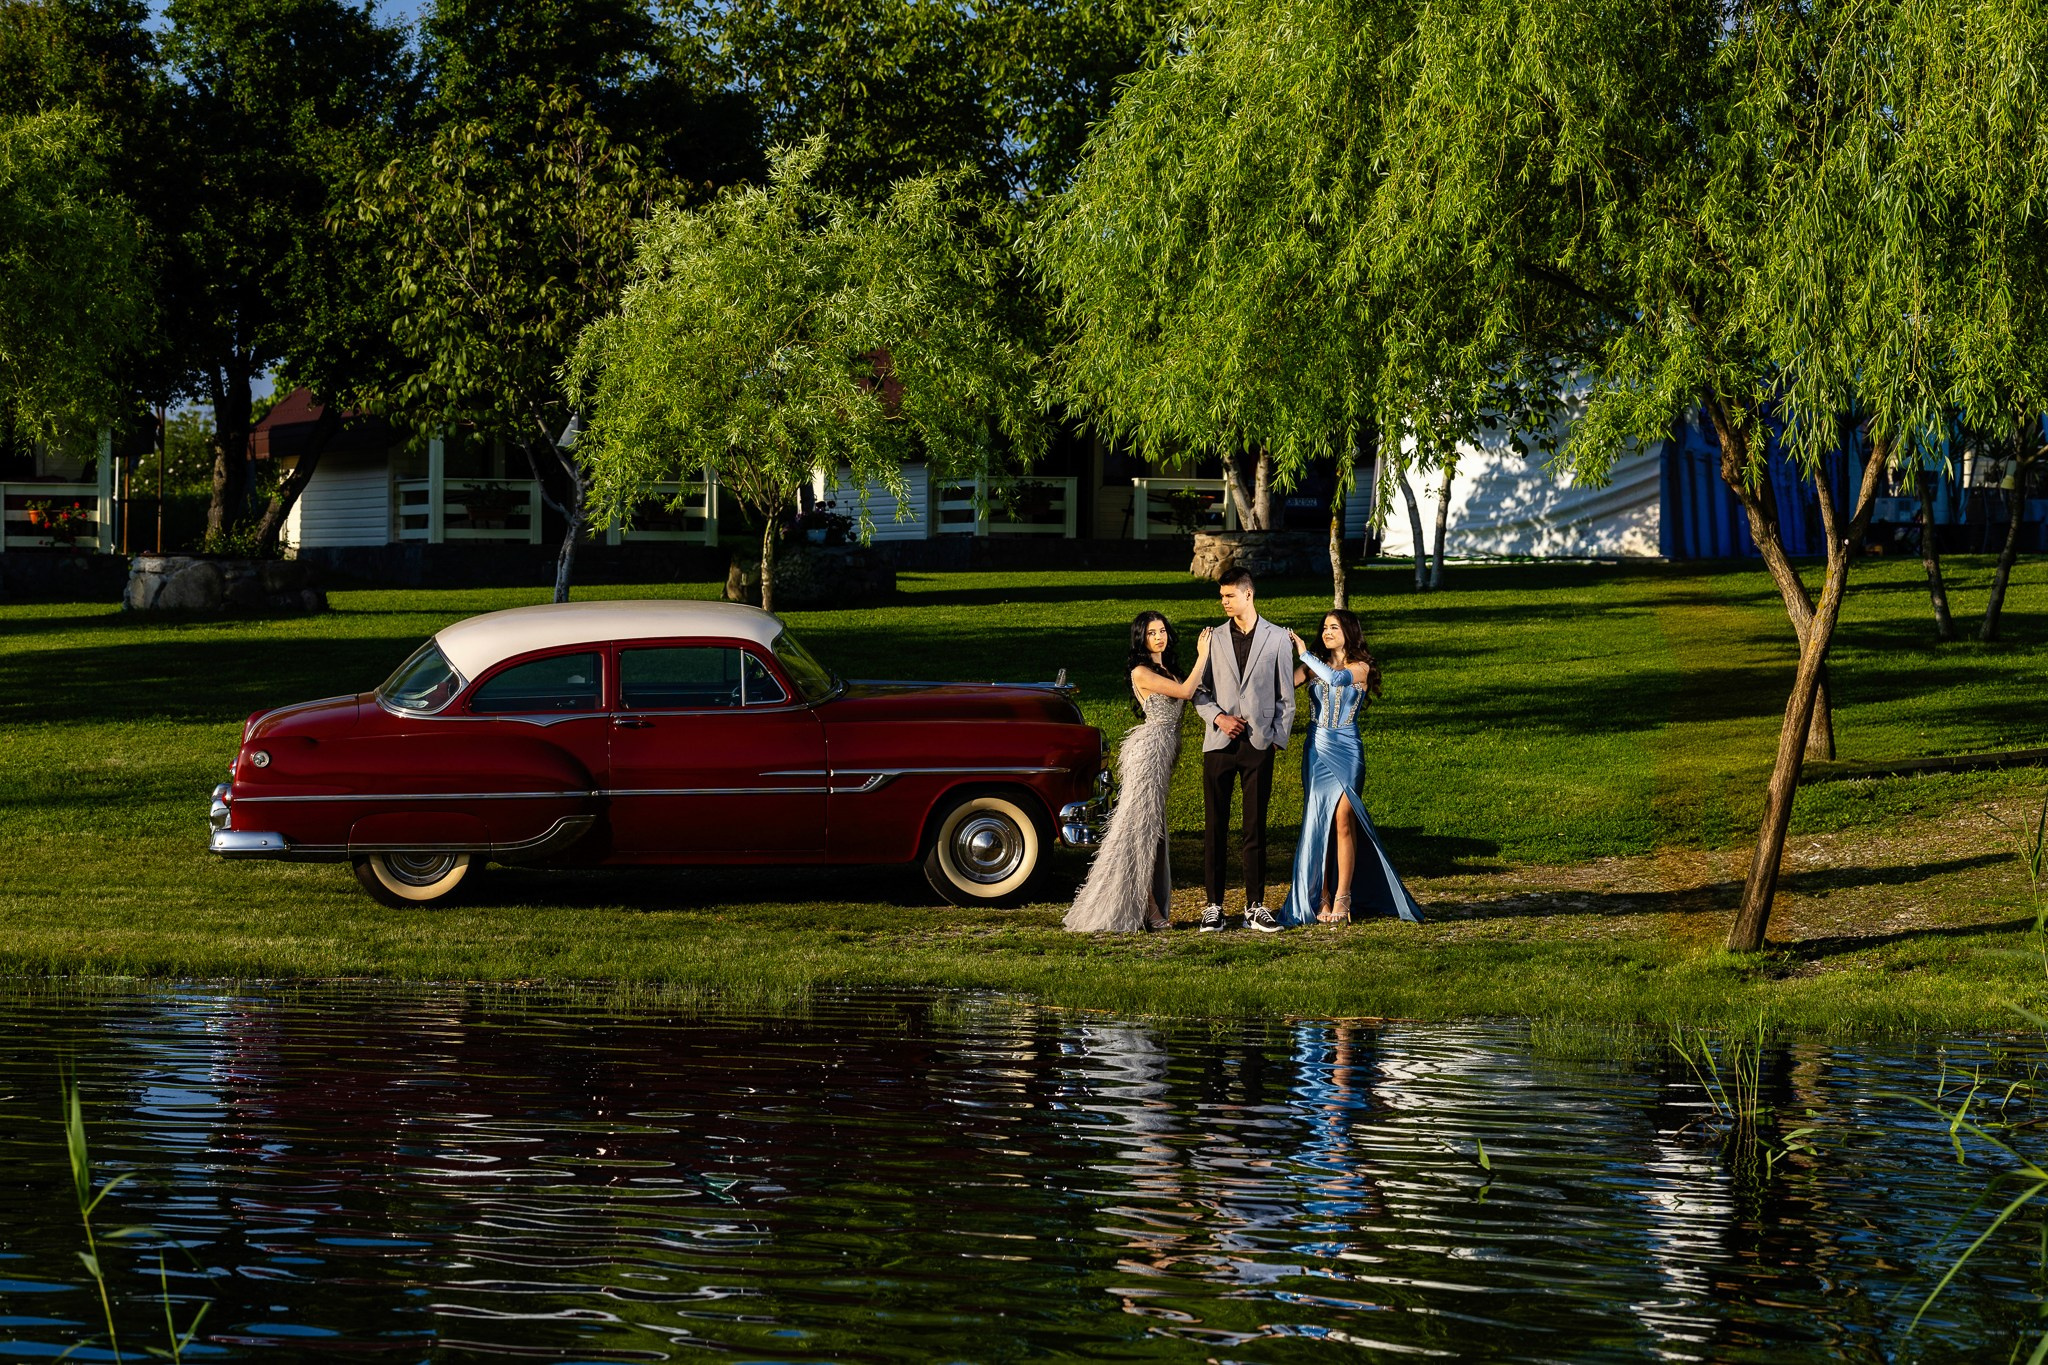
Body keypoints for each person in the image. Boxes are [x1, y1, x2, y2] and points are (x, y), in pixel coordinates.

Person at [1065, 612, 1213, 933]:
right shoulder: (1141, 671)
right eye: (1151, 633)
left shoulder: (1169, 670)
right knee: (1139, 832)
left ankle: (1150, 906)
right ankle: (1149, 909)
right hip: (1148, 753)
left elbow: (1197, 691)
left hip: (1164, 754)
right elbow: (1188, 691)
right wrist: (1203, 655)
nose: (1159, 637)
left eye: (1162, 631)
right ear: (1141, 639)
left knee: (1153, 834)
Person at [1279, 611, 1423, 926]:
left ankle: (1344, 895)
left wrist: (1303, 652)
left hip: (1347, 750)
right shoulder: (1311, 666)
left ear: (1349, 632)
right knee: (1321, 823)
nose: (1327, 631)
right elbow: (1280, 687)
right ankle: (1323, 895)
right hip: (1316, 751)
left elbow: (1335, 679)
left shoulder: (1360, 667)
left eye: (1335, 627)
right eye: (1325, 627)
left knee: (1344, 819)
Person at [1191, 567, 1297, 934]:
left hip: (1258, 745)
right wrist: (1218, 718)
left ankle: (1255, 906)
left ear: (1248, 594)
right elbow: (1198, 691)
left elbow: (1287, 696)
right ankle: (1213, 907)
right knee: (1214, 827)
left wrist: (1274, 740)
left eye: (1229, 596)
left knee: (1255, 828)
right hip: (1218, 745)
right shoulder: (1213, 639)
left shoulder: (1279, 638)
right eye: (1221, 597)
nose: (1223, 602)